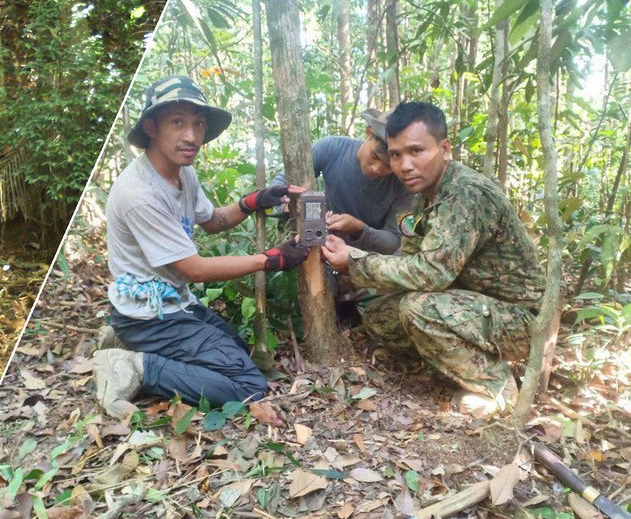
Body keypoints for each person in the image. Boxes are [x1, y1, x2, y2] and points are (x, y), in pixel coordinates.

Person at [94, 75, 309, 420]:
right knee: (247, 385)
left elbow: (213, 221)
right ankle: (135, 364)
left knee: (241, 353)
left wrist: (256, 201)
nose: (191, 136)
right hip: (149, 316)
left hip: (173, 304)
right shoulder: (139, 194)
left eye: (198, 124)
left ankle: (131, 343)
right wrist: (271, 260)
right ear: (151, 127)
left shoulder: (181, 173)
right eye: (177, 122)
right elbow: (195, 269)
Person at [321, 101, 544, 418]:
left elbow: (431, 273)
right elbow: (411, 261)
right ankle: (448, 362)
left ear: (445, 149)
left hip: (521, 318)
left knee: (418, 309)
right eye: (396, 154)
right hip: (474, 303)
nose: (404, 165)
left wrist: (355, 261)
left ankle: (497, 387)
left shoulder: (465, 193)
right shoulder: (422, 199)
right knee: (380, 316)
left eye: (416, 151)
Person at [270, 108, 412, 255]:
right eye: (375, 156)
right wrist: (291, 206)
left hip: (369, 263)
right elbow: (277, 185)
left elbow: (393, 241)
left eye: (388, 166)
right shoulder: (331, 148)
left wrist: (359, 229)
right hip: (322, 250)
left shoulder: (403, 182)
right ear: (368, 133)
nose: (377, 169)